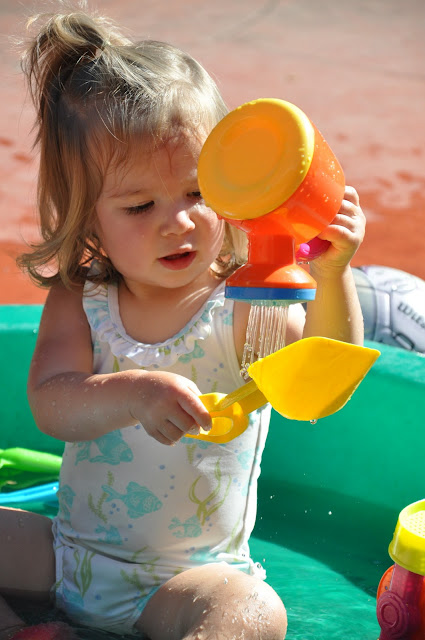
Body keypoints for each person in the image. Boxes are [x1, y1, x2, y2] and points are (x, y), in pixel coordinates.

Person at [0, 5, 366, 640]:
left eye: (199, 193)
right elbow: (52, 406)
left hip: (187, 582)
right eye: (140, 205)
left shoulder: (246, 298)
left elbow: (318, 385)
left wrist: (333, 275)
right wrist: (133, 392)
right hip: (67, 557)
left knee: (254, 611)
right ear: (88, 218)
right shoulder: (82, 299)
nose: (179, 221)